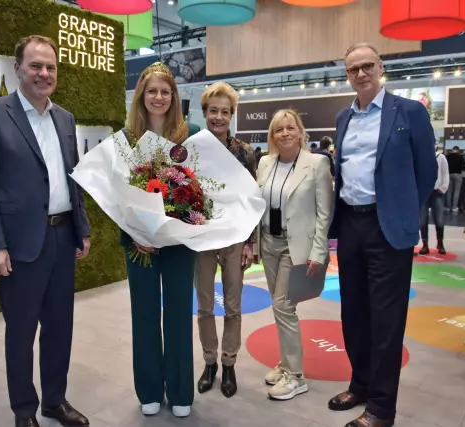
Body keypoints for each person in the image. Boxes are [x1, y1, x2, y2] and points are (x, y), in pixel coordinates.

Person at [0, 35, 91, 427]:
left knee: (59, 328)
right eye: (36, 66)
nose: (44, 74)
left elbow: (74, 180)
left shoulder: (65, 118)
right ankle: (24, 411)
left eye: (50, 67)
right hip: (19, 245)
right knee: (20, 333)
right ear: (17, 68)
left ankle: (54, 400)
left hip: (61, 235)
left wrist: (81, 229)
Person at [327, 43, 437, 427]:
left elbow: (426, 173)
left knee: (387, 320)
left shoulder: (409, 112)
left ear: (381, 67)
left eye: (367, 65)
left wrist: (402, 210)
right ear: (347, 74)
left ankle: (381, 408)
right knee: (353, 312)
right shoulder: (343, 117)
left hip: (388, 227)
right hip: (351, 225)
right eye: (353, 68)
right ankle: (359, 384)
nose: (361, 73)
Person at [119, 62, 200, 418]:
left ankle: (181, 392)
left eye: (165, 91)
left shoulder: (191, 134)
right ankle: (150, 389)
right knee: (144, 315)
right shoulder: (123, 139)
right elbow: (114, 195)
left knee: (180, 315)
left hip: (180, 243)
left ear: (174, 97)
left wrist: (185, 223)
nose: (158, 97)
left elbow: (202, 192)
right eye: (151, 90)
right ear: (141, 94)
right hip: (140, 245)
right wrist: (135, 232)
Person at [257, 109, 333, 401]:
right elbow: (257, 205)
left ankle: (297, 377)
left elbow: (324, 213)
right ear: (272, 136)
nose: (285, 133)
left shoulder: (317, 164)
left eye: (290, 128)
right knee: (282, 309)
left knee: (283, 306)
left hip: (296, 247)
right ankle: (286, 362)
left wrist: (319, 250)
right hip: (268, 243)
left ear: (301, 132)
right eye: (279, 129)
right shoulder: (265, 163)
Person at [194, 82, 257, 398]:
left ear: (231, 115)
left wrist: (250, 242)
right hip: (202, 239)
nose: (218, 117)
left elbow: (252, 198)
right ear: (204, 113)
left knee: (233, 307)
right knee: (205, 306)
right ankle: (209, 363)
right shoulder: (191, 149)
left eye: (224, 112)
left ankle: (229, 363)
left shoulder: (244, 152)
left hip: (235, 239)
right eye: (213, 111)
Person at [418, 145, 449, 255]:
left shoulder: (441, 158)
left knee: (439, 220)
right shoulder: (420, 157)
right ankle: (425, 244)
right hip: (423, 192)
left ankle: (440, 243)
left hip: (437, 192)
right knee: (422, 221)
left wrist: (444, 187)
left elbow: (445, 174)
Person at [445, 145, 465, 211]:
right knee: (457, 191)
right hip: (457, 174)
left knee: (449, 191)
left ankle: (448, 207)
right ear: (458, 150)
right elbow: (463, 166)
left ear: (452, 150)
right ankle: (454, 207)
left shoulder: (447, 156)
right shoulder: (461, 157)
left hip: (449, 174)